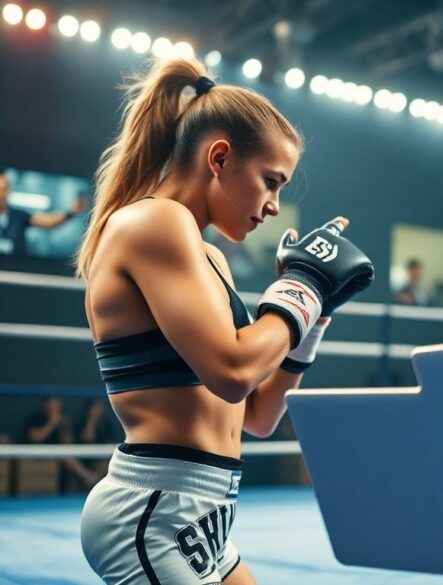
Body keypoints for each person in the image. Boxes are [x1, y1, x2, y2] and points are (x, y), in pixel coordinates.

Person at [76, 58, 373, 584]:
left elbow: (257, 414)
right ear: (219, 158)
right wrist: (303, 288)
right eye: (270, 181)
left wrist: (313, 318)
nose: (275, 207)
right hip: (152, 510)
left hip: (206, 516)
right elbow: (232, 372)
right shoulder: (154, 221)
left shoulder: (208, 256)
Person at [23, 396, 100, 490]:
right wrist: (51, 423)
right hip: (37, 452)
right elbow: (35, 438)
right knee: (66, 457)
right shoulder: (36, 417)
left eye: (57, 404)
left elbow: (68, 442)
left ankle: (85, 483)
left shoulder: (63, 419)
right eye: (52, 404)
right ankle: (89, 477)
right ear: (45, 405)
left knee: (69, 455)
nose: (55, 407)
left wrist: (65, 428)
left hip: (57, 454)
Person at [0, 173, 86, 256]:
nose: (1, 195)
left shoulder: (18, 216)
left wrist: (71, 212)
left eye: (3, 189)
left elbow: (48, 221)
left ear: (9, 191)